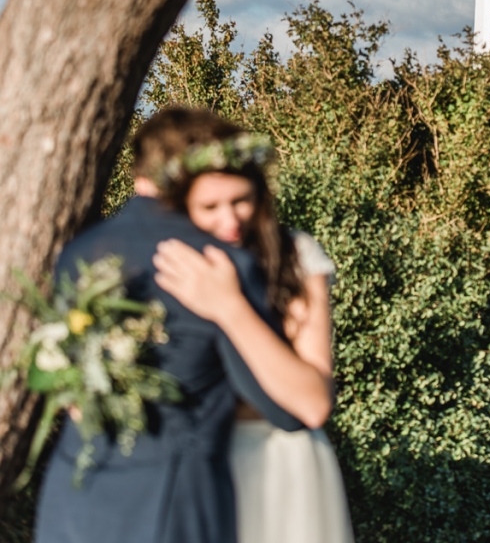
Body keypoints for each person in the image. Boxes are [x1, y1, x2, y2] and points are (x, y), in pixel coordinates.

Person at [35, 108, 315, 543]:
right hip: (173, 501)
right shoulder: (219, 262)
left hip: (74, 492)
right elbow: (286, 410)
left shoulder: (81, 250)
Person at [147, 116, 355, 543]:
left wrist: (229, 307)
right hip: (187, 467)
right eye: (210, 207)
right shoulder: (165, 264)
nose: (230, 219)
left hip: (281, 464)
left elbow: (312, 402)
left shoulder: (295, 255)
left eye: (241, 200)